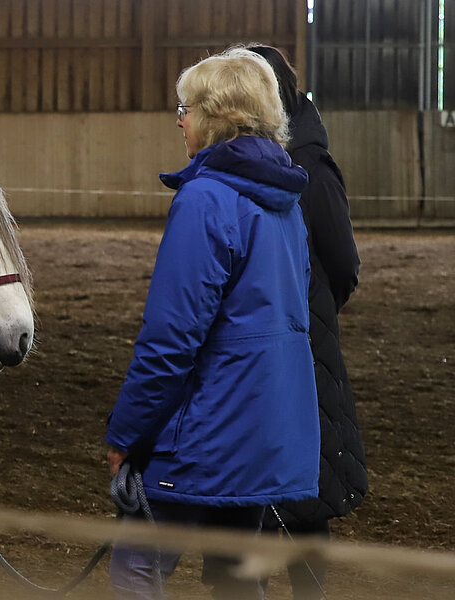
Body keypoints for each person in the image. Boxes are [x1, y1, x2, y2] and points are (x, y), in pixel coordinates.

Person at [104, 47, 320, 600]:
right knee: (236, 579)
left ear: (216, 115)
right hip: (266, 432)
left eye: (186, 109)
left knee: (136, 569)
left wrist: (127, 434)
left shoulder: (205, 199)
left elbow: (171, 339)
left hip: (206, 431)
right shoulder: (287, 204)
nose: (180, 122)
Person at [246, 44, 367, 600]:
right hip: (263, 352)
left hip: (304, 349)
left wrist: (306, 315)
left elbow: (342, 265)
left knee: (305, 497)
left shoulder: (313, 170)